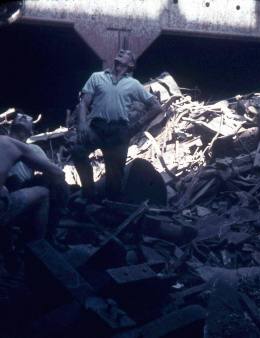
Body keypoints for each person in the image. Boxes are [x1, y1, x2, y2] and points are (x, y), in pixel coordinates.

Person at [70, 49, 161, 201]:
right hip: (96, 128)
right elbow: (84, 103)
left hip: (119, 132)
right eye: (119, 52)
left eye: (125, 53)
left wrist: (136, 126)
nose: (121, 52)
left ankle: (109, 209)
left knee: (115, 176)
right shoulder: (97, 77)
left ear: (131, 64)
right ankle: (89, 191)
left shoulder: (133, 84)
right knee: (78, 151)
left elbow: (156, 107)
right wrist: (82, 124)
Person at [0, 135, 68, 242]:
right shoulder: (7, 142)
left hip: (20, 187)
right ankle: (38, 244)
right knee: (43, 193)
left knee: (45, 181)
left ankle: (49, 230)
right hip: (5, 202)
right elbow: (57, 173)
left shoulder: (32, 148)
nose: (22, 116)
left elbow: (55, 172)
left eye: (28, 117)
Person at [5, 111, 49, 191]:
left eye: (29, 118)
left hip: (25, 189)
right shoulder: (2, 142)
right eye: (19, 115)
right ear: (11, 125)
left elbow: (50, 170)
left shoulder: (34, 149)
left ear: (31, 132)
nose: (23, 116)